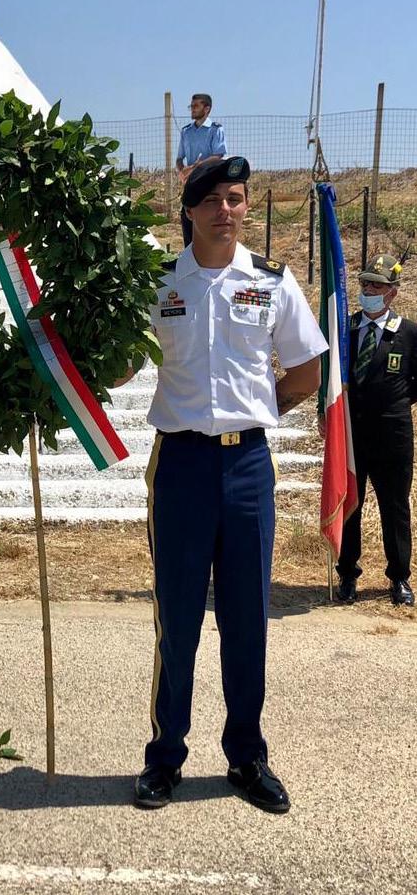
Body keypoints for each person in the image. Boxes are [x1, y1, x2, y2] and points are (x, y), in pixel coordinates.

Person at [131, 156, 327, 814]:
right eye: (212, 199)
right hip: (181, 467)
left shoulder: (271, 281)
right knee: (177, 620)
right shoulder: (159, 282)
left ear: (246, 207)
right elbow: (120, 360)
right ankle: (165, 756)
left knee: (247, 619)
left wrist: (259, 408)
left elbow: (306, 370)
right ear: (188, 210)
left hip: (247, 468)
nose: (225, 210)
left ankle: (247, 756)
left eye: (236, 198)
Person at [333, 254, 416, 607]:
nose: (368, 290)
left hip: (392, 434)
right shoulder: (346, 330)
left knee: (394, 506)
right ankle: (347, 574)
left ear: (392, 292)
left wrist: (393, 403)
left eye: (376, 286)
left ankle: (399, 577)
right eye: (365, 284)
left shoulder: (408, 333)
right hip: (352, 432)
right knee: (350, 503)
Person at [176, 93, 227, 248]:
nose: (192, 109)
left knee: (208, 224)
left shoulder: (215, 130)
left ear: (207, 109)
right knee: (187, 222)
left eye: (196, 106)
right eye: (191, 106)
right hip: (191, 183)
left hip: (209, 183)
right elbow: (179, 158)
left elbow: (218, 155)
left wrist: (196, 167)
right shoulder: (186, 131)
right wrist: (182, 171)